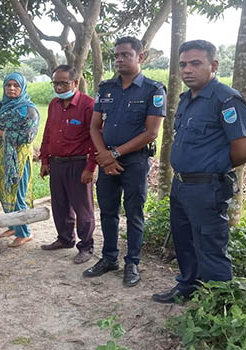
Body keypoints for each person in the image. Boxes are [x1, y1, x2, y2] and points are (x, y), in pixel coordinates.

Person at [151, 40, 246, 303]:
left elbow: (242, 150)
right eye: (183, 64)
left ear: (213, 65)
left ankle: (217, 306)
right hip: (182, 184)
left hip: (207, 187)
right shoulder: (186, 100)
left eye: (196, 63)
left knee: (210, 246)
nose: (187, 70)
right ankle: (188, 288)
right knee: (184, 242)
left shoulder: (226, 100)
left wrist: (211, 169)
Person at [83, 37, 166, 287]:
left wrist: (115, 155)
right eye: (116, 55)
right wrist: (105, 158)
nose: (119, 59)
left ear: (141, 57)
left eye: (125, 55)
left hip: (135, 162)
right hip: (108, 161)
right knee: (107, 212)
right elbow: (94, 127)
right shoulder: (106, 88)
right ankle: (109, 258)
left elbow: (151, 133)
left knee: (134, 213)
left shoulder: (153, 90)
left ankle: (133, 262)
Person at [39, 65, 97, 264]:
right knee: (60, 204)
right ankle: (64, 239)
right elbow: (48, 133)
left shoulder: (88, 105)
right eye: (56, 83)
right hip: (57, 163)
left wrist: (90, 167)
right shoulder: (54, 104)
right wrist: (45, 160)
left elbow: (95, 138)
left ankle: (86, 246)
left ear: (75, 82)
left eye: (63, 83)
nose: (59, 87)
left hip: (78, 163)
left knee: (83, 208)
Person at [0, 72, 40, 248]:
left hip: (18, 157)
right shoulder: (0, 106)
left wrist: (1, 133)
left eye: (16, 85)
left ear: (22, 87)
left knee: (17, 194)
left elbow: (27, 136)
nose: (11, 88)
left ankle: (24, 233)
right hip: (1, 156)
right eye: (8, 85)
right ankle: (13, 225)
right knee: (5, 191)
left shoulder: (28, 109)